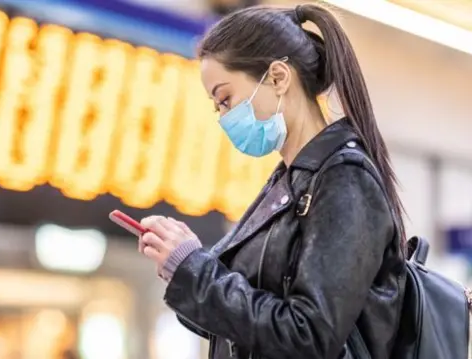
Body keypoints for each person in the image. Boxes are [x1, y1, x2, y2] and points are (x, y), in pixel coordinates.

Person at [137, 3, 407, 359]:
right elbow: (246, 322)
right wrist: (181, 266)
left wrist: (195, 270)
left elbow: (308, 335)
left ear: (279, 77)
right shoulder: (290, 184)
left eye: (225, 99)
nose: (223, 118)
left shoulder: (344, 180)